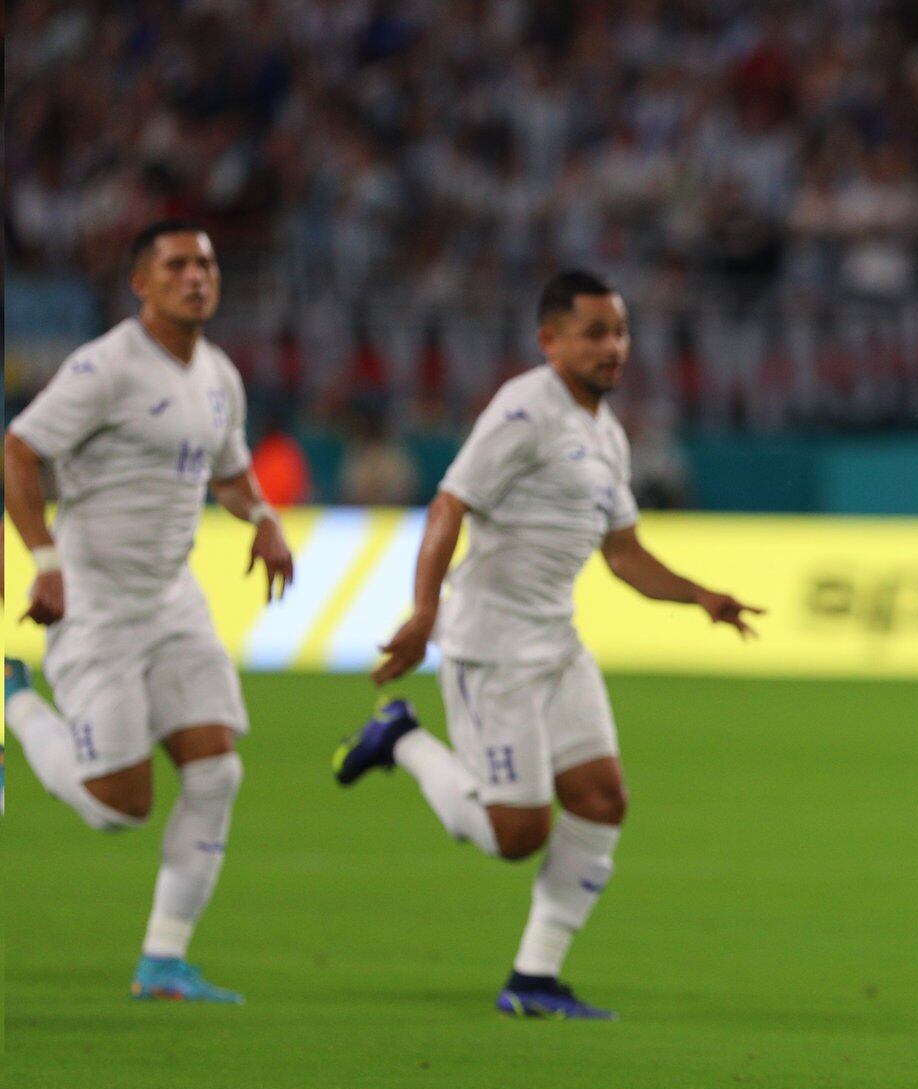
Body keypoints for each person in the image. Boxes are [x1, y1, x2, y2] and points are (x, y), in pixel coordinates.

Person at [331, 271, 762, 1020]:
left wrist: (701, 597)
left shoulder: (606, 434)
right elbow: (449, 501)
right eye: (595, 332)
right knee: (515, 835)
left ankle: (533, 979)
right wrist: (425, 609)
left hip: (556, 642)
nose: (613, 347)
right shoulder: (525, 409)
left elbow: (624, 554)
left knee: (602, 798)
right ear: (550, 340)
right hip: (491, 647)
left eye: (620, 332)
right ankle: (398, 738)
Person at [3, 220, 295, 1003]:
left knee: (217, 767)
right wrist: (45, 560)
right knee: (117, 809)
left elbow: (229, 474)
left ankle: (163, 960)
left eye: (206, 263)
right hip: (94, 598)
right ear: (142, 283)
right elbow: (19, 450)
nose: (197, 276)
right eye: (177, 265)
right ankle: (18, 706)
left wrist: (262, 516)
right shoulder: (103, 367)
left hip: (173, 598)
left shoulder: (219, 377)